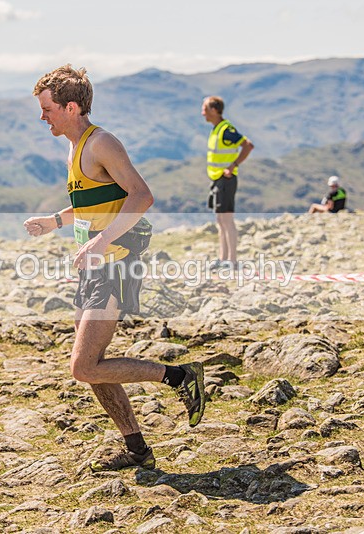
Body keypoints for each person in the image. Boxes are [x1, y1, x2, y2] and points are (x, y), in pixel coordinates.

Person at [24, 65, 206, 472]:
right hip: (94, 267)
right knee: (92, 365)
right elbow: (97, 203)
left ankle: (181, 377)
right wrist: (55, 221)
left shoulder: (101, 143)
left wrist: (102, 241)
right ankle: (137, 449)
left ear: (71, 107)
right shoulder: (74, 146)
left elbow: (142, 196)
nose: (42, 118)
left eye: (47, 109)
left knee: (84, 366)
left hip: (117, 264)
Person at [202, 96, 254, 270]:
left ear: (214, 110)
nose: (203, 113)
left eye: (205, 109)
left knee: (227, 220)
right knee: (220, 219)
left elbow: (248, 145)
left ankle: (232, 261)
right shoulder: (217, 129)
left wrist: (234, 165)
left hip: (226, 180)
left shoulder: (226, 130)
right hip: (218, 180)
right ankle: (223, 258)